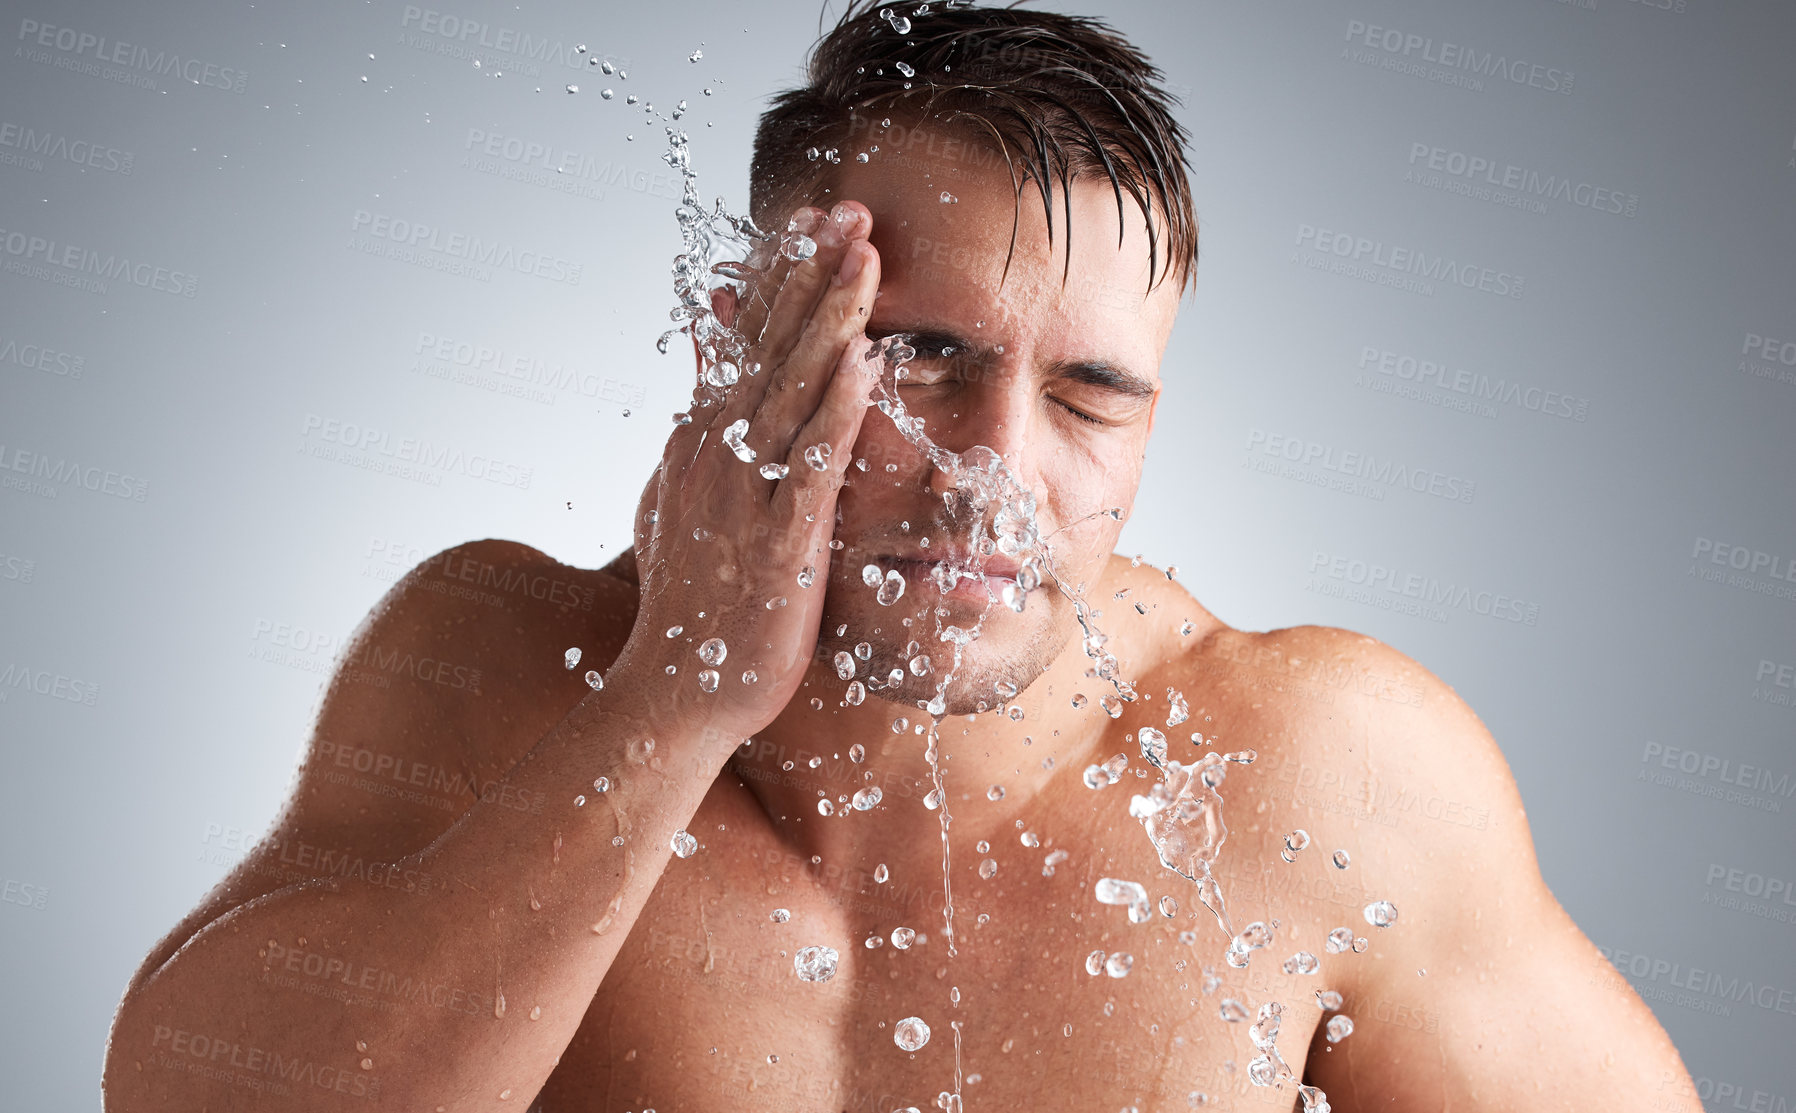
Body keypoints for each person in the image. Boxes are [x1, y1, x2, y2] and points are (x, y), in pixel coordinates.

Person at [103, 3, 1700, 1110]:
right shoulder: (508, 667)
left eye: (1090, 394)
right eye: (923, 356)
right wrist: (670, 706)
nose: (999, 471)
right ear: (753, 343)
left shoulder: (1316, 771)